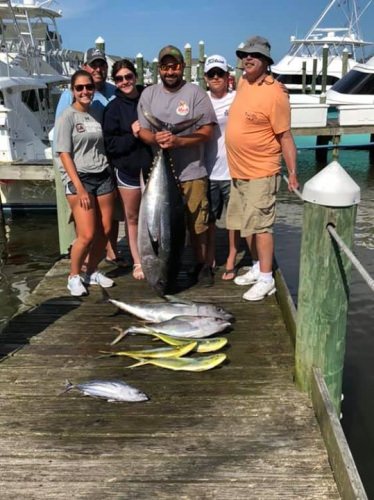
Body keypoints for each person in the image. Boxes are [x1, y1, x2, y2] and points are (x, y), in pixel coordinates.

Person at [225, 36, 299, 301]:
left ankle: (267, 278)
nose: (247, 59)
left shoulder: (276, 93)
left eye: (253, 55)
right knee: (247, 226)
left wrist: (292, 173)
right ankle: (257, 267)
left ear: (267, 61)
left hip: (261, 171)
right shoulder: (244, 82)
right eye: (244, 54)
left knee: (262, 227)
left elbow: (286, 137)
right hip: (238, 172)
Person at [137, 45, 217, 286]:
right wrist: (157, 138)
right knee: (160, 228)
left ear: (182, 67)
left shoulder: (196, 94)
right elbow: (142, 131)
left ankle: (201, 266)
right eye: (165, 67)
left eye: (174, 66)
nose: (170, 71)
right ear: (159, 69)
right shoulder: (148, 95)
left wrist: (178, 140)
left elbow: (207, 130)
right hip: (159, 179)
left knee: (197, 226)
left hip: (193, 172)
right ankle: (173, 267)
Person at [55, 47, 124, 266]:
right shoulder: (68, 99)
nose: (98, 68)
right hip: (78, 169)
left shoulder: (113, 91)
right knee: (85, 226)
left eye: (101, 64)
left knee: (107, 223)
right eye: (93, 64)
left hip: (104, 166)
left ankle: (107, 255)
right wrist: (72, 179)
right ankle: (80, 265)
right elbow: (62, 142)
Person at [55, 70, 116, 296]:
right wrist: (79, 187)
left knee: (106, 229)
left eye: (88, 87)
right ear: (73, 91)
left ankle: (91, 270)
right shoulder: (67, 117)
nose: (84, 91)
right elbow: (64, 154)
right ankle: (73, 275)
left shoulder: (98, 111)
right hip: (80, 178)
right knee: (87, 234)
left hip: (103, 175)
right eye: (79, 88)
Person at [103, 59, 153, 280]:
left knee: (153, 217)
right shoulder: (113, 108)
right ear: (115, 82)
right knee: (132, 218)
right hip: (128, 171)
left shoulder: (149, 98)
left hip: (154, 170)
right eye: (119, 79)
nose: (125, 82)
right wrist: (133, 136)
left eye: (128, 77)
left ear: (135, 77)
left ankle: (156, 256)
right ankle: (138, 262)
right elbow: (110, 145)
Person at [203, 54, 240, 281]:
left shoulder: (238, 97)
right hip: (207, 170)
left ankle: (231, 258)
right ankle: (209, 257)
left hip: (232, 170)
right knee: (208, 220)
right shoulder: (200, 99)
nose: (216, 77)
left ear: (228, 76)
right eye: (211, 74)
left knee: (234, 220)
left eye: (220, 73)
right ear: (205, 78)